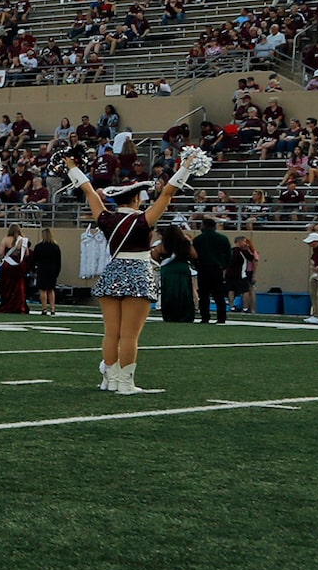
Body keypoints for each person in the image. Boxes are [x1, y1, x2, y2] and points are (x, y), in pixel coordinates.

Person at [63, 152, 192, 393]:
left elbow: (89, 190)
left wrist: (71, 166)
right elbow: (168, 193)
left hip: (113, 272)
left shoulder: (105, 218)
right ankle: (125, 383)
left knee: (111, 333)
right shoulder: (144, 220)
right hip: (138, 274)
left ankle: (110, 380)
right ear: (135, 200)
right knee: (130, 335)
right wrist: (186, 167)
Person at [191, 216, 233, 324]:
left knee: (204, 295)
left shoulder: (198, 239)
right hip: (217, 269)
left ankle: (205, 317)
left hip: (203, 268)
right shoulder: (222, 238)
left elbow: (193, 255)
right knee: (218, 294)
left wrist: (196, 265)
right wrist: (224, 265)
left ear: (204, 226)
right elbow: (229, 254)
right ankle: (221, 318)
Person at [156, 221, 197, 325]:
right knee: (184, 293)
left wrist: (161, 261)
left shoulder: (163, 244)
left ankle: (170, 315)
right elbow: (194, 255)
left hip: (168, 270)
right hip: (182, 268)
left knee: (169, 292)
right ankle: (184, 315)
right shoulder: (185, 243)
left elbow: (154, 255)